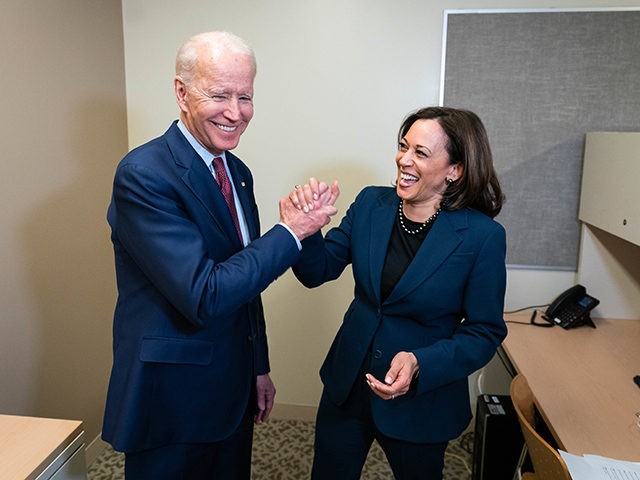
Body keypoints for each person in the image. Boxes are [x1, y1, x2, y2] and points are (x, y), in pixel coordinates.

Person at [101, 31, 338, 479]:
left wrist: (257, 366)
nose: (235, 113)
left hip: (231, 389)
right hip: (172, 397)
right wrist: (291, 231)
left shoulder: (236, 171)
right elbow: (205, 292)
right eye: (219, 95)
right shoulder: (143, 174)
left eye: (245, 96)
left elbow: (243, 283)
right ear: (181, 92)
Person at [289, 106, 507, 479]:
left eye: (420, 153)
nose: (403, 159)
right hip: (348, 386)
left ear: (455, 170)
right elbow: (316, 271)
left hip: (421, 401)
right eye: (403, 146)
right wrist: (305, 230)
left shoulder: (481, 237)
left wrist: (422, 363)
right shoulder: (372, 204)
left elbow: (484, 332)